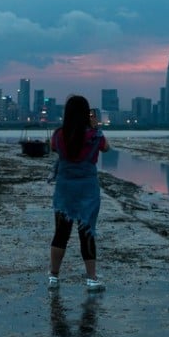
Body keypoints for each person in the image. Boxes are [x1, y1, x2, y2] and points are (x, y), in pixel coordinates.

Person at [48, 94, 110, 291]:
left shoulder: (59, 134)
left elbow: (52, 148)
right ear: (86, 114)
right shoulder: (95, 136)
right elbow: (106, 148)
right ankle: (91, 279)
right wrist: (94, 127)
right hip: (87, 191)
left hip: (64, 189)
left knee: (61, 233)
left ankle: (53, 277)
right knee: (87, 233)